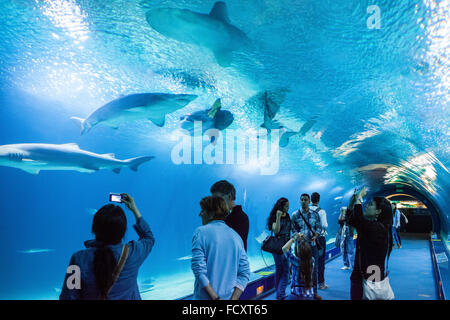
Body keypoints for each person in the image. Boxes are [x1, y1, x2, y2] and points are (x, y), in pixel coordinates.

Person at [60, 194, 155, 300]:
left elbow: (68, 296)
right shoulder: (133, 253)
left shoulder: (78, 259)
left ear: (94, 229)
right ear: (123, 231)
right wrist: (134, 209)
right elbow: (148, 238)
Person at [191, 196, 250, 300]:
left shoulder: (201, 232)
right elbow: (244, 273)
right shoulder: (235, 236)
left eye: (203, 210)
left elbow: (199, 270)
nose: (200, 214)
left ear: (212, 213)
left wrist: (216, 298)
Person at [346, 187, 393, 300]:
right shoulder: (374, 225)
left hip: (372, 272)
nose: (366, 206)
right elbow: (351, 220)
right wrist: (352, 202)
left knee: (371, 294)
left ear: (378, 211)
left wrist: (359, 198)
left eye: (370, 204)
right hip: (362, 272)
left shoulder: (379, 228)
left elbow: (359, 220)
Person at [291, 193, 323, 300]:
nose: (304, 201)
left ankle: (314, 292)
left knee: (313, 269)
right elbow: (293, 229)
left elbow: (319, 227)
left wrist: (316, 235)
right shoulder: (295, 215)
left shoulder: (315, 214)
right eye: (302, 199)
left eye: (306, 200)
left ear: (309, 201)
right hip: (300, 247)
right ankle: (299, 290)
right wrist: (297, 235)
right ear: (299, 201)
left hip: (312, 246)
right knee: (299, 269)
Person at [210, 180, 249, 251]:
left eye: (218, 199)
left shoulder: (239, 217)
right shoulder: (227, 216)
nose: (215, 203)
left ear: (229, 196)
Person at [267, 197, 291, 300]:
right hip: (278, 247)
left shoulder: (288, 215)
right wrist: (277, 217)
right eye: (286, 206)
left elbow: (289, 230)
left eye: (288, 206)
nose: (287, 208)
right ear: (280, 206)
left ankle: (279, 292)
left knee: (282, 270)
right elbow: (276, 231)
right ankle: (280, 293)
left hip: (287, 245)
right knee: (283, 270)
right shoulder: (274, 216)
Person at [282, 233, 315, 300]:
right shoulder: (312, 260)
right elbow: (305, 248)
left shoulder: (296, 261)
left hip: (297, 295)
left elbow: (284, 248)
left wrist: (294, 238)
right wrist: (303, 240)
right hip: (310, 295)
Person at [310, 192, 328, 290]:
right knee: (320, 262)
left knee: (309, 262)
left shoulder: (306, 210)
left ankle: (309, 284)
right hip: (319, 239)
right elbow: (324, 225)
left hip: (309, 239)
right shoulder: (321, 211)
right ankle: (321, 284)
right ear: (319, 200)